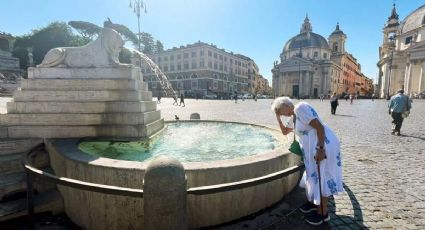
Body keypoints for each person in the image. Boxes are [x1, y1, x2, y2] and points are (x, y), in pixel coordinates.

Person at [272, 97, 343, 225]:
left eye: (281, 111)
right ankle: (314, 203)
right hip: (311, 150)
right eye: (280, 113)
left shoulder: (300, 108)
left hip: (322, 146)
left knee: (322, 177)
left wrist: (321, 149)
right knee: (313, 177)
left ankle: (323, 213)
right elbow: (284, 132)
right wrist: (278, 117)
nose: (282, 114)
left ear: (286, 105)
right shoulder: (293, 117)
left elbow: (319, 127)